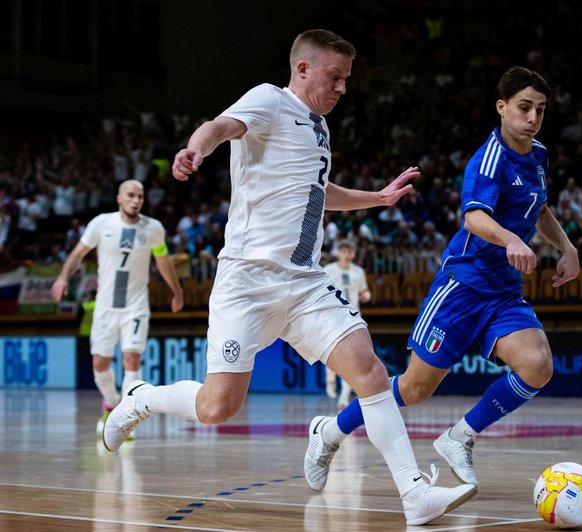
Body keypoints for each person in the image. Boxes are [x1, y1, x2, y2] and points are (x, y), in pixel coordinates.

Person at [100, 29, 475, 526]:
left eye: (347, 80)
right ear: (303, 69)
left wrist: (377, 199)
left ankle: (413, 495)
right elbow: (219, 126)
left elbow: (320, 190)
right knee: (217, 408)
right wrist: (196, 150)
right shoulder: (269, 101)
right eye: (335, 77)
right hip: (247, 283)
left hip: (304, 283)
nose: (342, 88)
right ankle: (141, 399)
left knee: (371, 372)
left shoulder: (319, 129)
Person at [305, 66, 579, 488]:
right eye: (524, 107)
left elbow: (539, 209)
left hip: (504, 292)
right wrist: (510, 240)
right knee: (413, 389)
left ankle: (459, 437)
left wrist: (568, 247)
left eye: (540, 110)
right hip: (462, 288)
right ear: (501, 107)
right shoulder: (489, 158)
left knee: (538, 365)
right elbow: (473, 218)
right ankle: (331, 431)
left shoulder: (538, 155)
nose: (533, 118)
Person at [51, 180, 184, 435]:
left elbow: (163, 261)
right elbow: (78, 253)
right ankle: (112, 404)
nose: (136, 200)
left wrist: (176, 292)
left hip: (136, 306)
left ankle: (127, 419)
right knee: (100, 363)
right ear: (119, 199)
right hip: (105, 306)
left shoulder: (153, 229)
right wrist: (62, 276)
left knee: (131, 356)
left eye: (140, 197)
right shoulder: (101, 223)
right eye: (131, 196)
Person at [322, 239, 371, 410]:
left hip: (352, 318)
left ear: (353, 254)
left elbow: (365, 291)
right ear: (339, 253)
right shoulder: (329, 271)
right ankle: (330, 381)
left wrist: (366, 296)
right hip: (332, 317)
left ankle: (344, 397)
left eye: (350, 252)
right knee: (331, 355)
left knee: (351, 359)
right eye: (344, 252)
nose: (347, 255)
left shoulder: (358, 271)